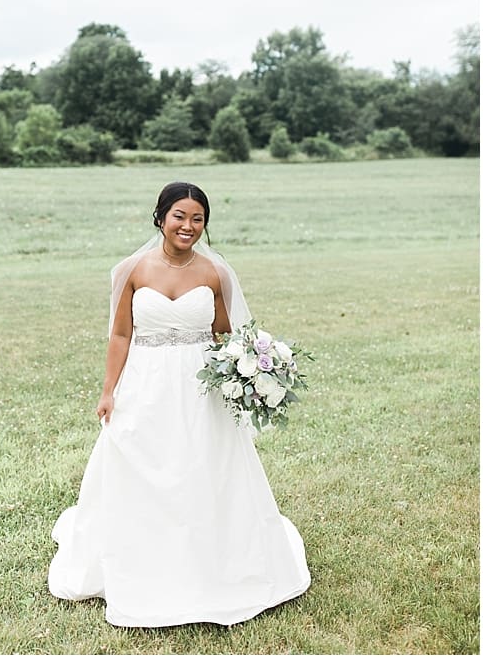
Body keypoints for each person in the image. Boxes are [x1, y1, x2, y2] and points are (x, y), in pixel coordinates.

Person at [47, 181, 310, 627]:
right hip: (145, 383)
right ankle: (143, 558)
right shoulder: (131, 269)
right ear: (161, 217)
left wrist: (251, 370)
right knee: (142, 462)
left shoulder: (214, 273)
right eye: (180, 216)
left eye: (198, 219)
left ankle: (211, 562)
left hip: (199, 386)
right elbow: (120, 334)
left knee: (203, 466)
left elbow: (225, 335)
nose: (188, 226)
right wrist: (109, 390)